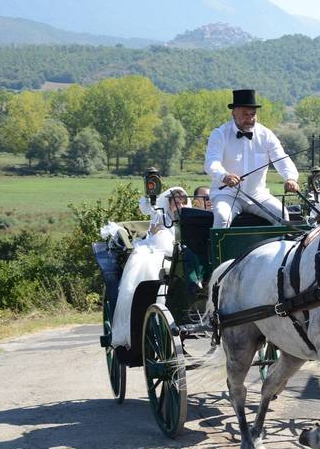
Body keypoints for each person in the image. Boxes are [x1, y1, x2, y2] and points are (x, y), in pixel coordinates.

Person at [106, 187, 189, 348]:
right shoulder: (161, 216)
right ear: (169, 203)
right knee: (150, 267)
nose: (180, 205)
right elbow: (156, 235)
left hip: (180, 252)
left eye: (182, 202)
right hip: (159, 250)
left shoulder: (188, 217)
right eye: (176, 202)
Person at [204, 89, 300, 228]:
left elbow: (281, 158)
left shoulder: (266, 135)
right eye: (245, 114)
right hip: (226, 194)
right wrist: (224, 176)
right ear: (234, 113)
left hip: (258, 195)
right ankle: (216, 250)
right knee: (222, 217)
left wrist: (290, 178)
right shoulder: (219, 134)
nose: (250, 118)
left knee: (283, 215)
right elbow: (211, 163)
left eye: (253, 114)